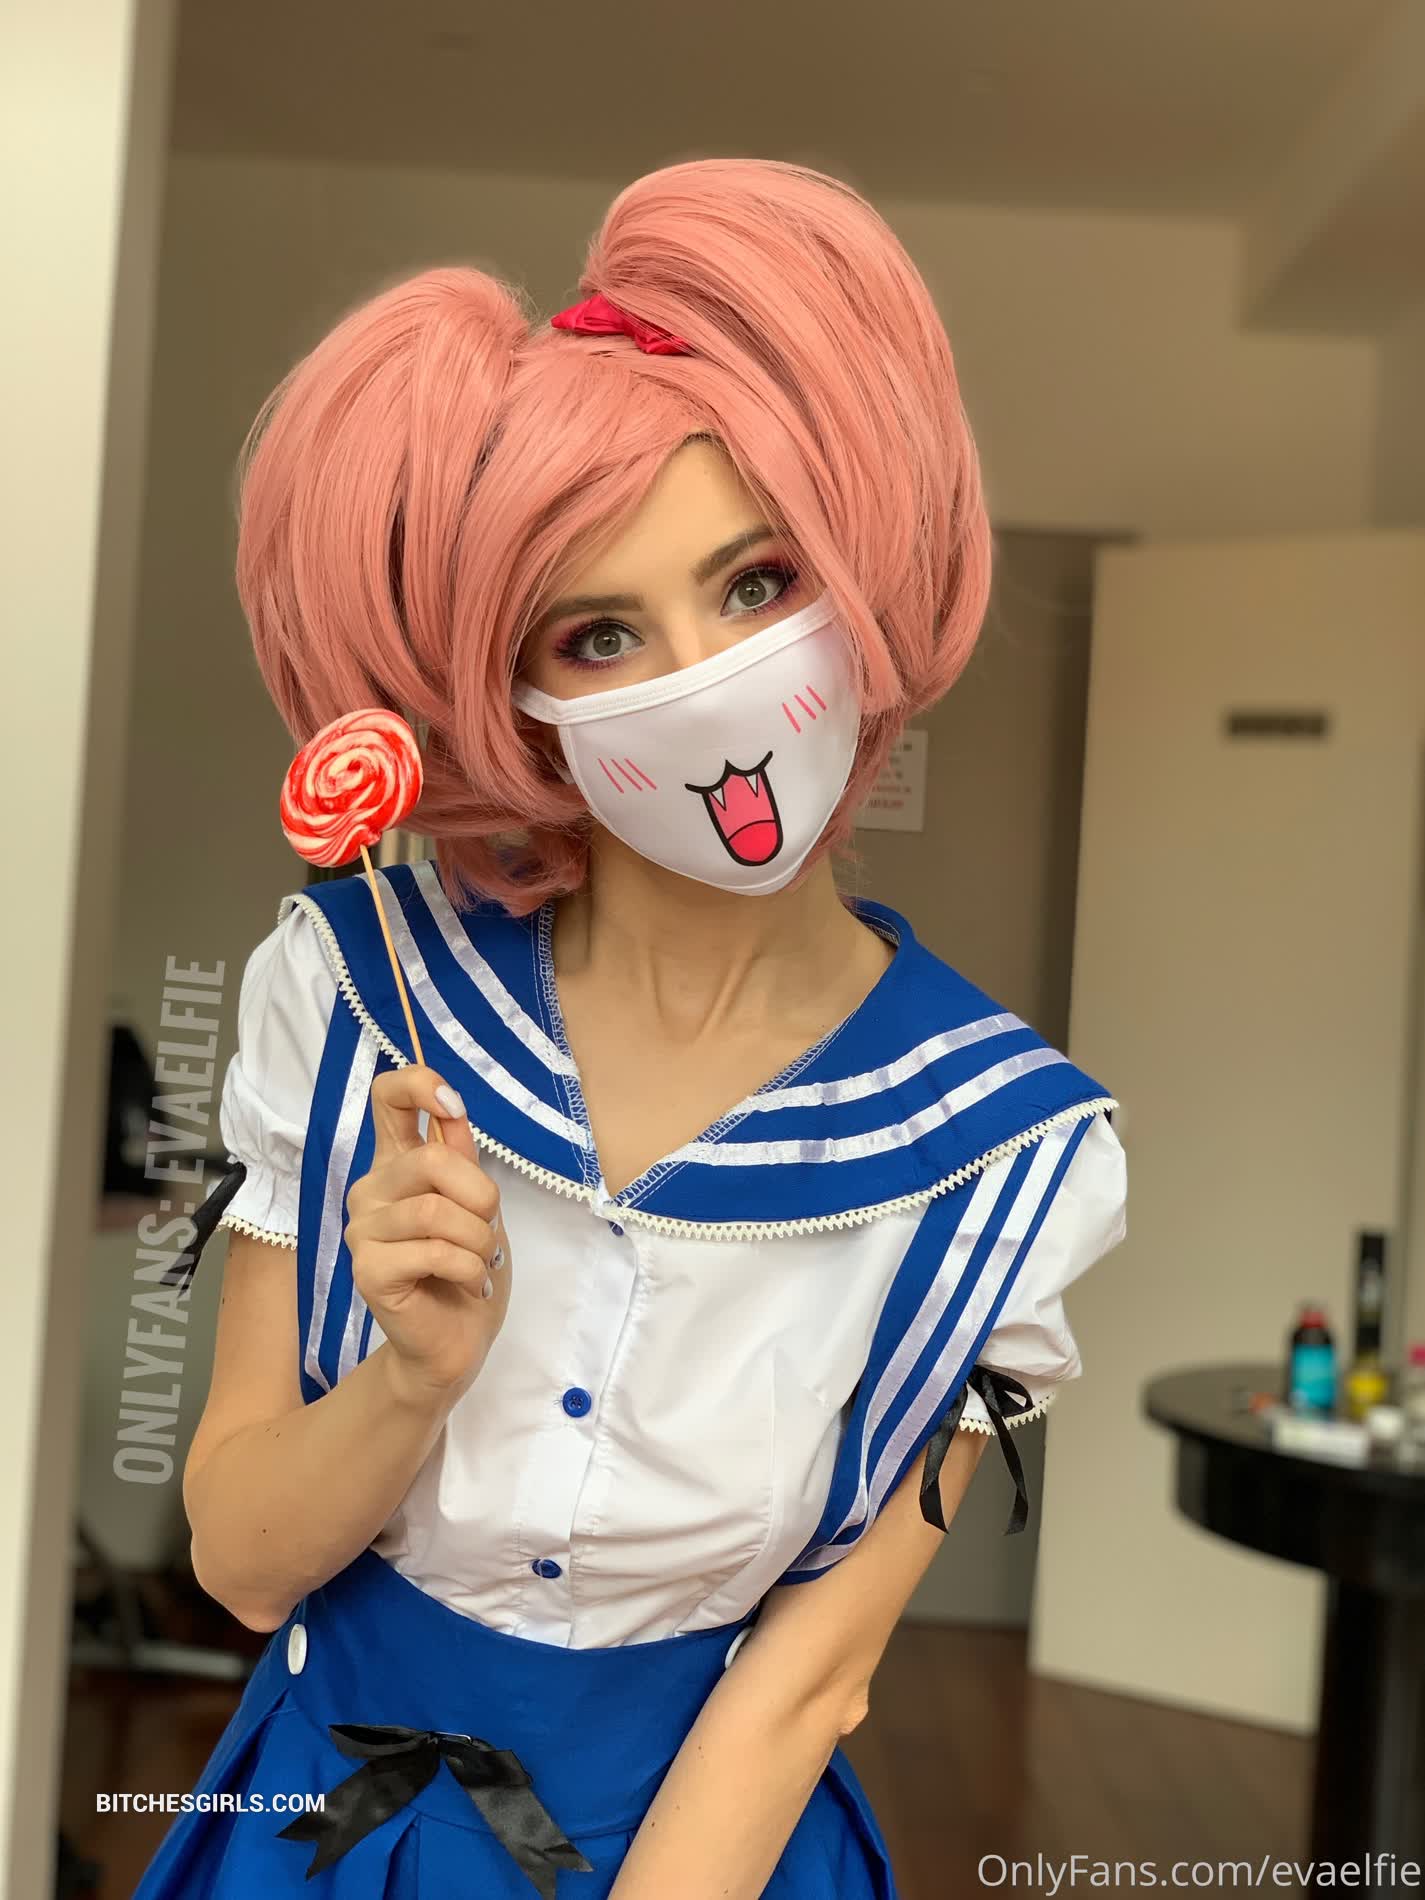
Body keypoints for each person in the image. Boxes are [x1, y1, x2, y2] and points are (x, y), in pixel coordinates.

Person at [133, 157, 1128, 1899]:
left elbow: (807, 1683)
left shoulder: (1005, 1159)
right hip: (320, 1836)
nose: (704, 681)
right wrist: (411, 1380)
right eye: (601, 633)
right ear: (513, 700)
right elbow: (239, 1564)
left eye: (753, 585)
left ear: (852, 568)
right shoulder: (349, 997)